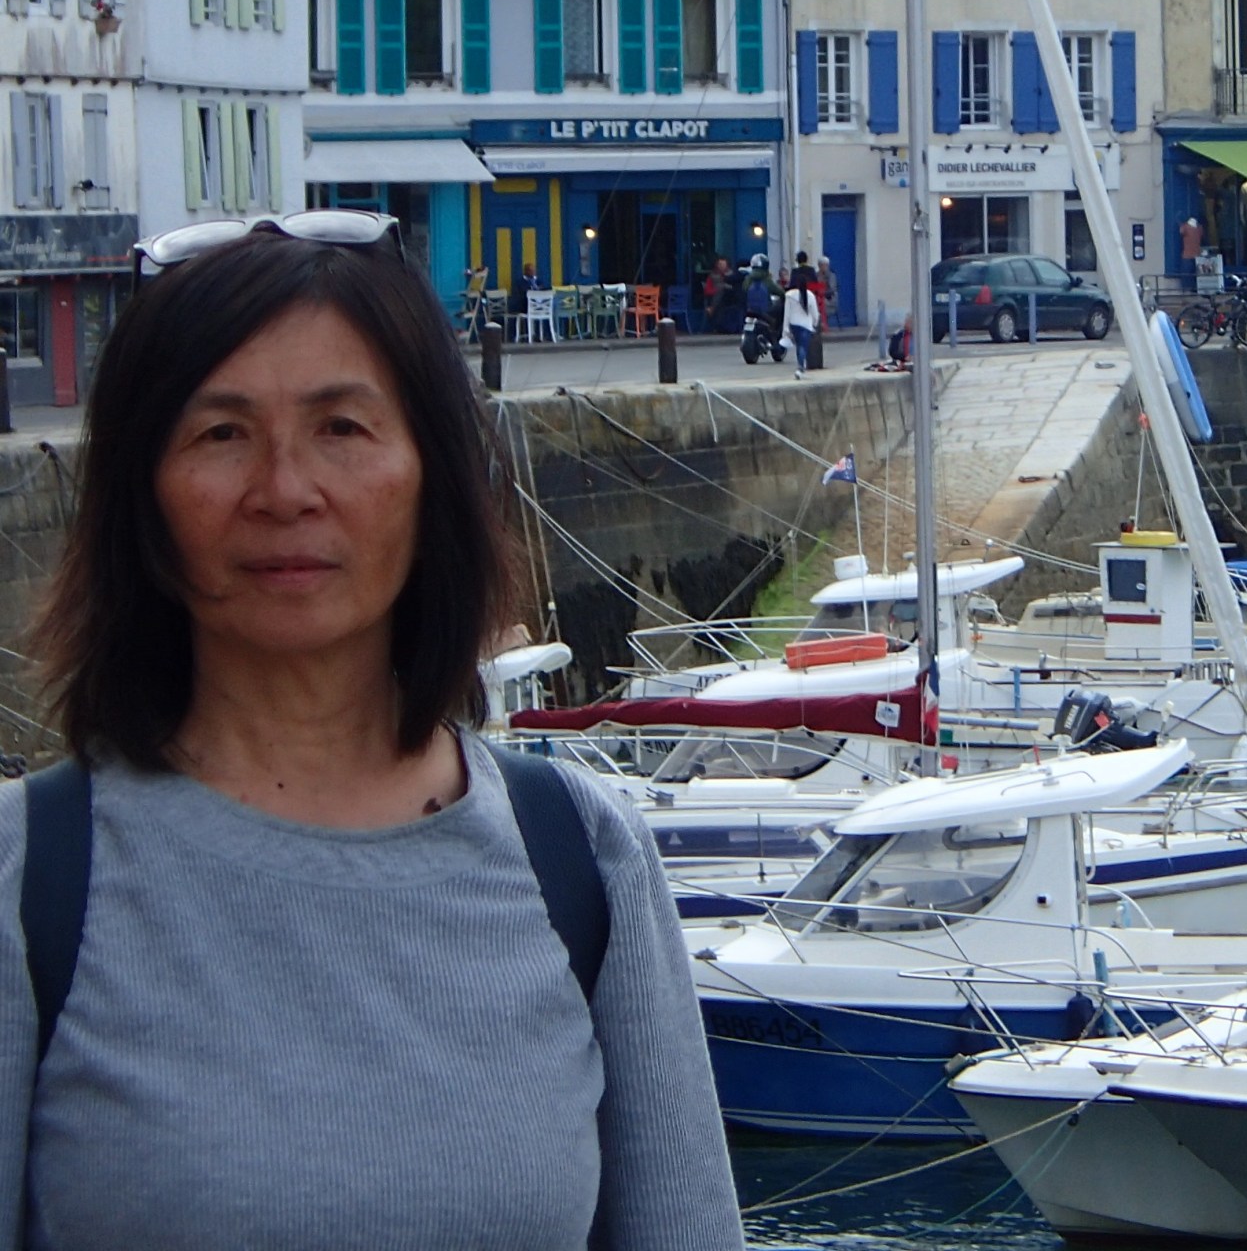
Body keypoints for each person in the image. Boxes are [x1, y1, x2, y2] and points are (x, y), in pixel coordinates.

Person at [2, 218, 742, 1251]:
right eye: (221, 434)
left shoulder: (581, 855)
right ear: (142, 493)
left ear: (433, 474)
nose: (285, 489)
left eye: (342, 428)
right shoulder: (33, 876)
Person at [782, 263, 821, 379]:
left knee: (799, 345)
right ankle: (800, 367)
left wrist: (785, 329)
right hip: (806, 325)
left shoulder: (789, 295)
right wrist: (815, 323)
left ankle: (801, 366)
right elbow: (815, 313)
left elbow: (787, 313)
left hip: (794, 324)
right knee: (803, 346)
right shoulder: (810, 296)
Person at [816, 256, 840, 328]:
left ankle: (822, 325)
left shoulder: (831, 275)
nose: (822, 267)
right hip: (818, 298)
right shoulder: (816, 275)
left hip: (829, 299)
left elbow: (832, 289)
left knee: (821, 304)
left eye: (824, 265)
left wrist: (822, 293)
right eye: (820, 265)